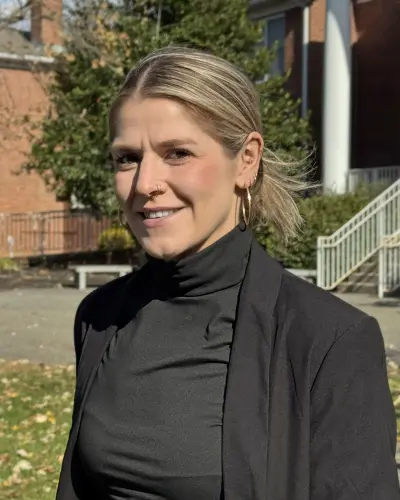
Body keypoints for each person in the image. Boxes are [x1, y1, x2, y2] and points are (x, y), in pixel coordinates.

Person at [56, 46, 400, 500]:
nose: (144, 184)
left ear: (246, 160)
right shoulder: (100, 317)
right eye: (127, 158)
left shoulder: (329, 339)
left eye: (177, 153)